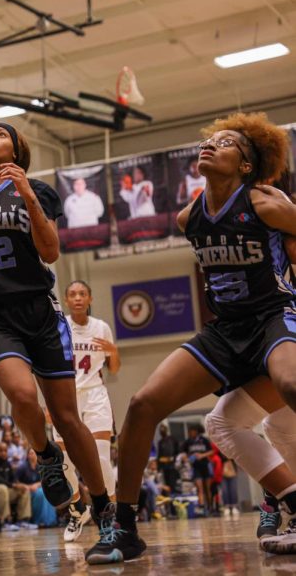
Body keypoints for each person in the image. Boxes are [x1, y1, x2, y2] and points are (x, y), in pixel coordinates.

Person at [87, 113, 296, 564]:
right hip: (225, 330)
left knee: (290, 386)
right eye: (210, 141)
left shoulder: (266, 203)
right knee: (143, 405)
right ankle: (124, 527)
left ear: (245, 165)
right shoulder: (189, 217)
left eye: (225, 143)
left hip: (275, 317)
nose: (210, 146)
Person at [0, 123, 111, 537]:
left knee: (68, 417)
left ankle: (105, 507)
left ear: (16, 151)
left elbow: (50, 250)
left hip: (40, 311)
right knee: (20, 394)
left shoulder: (37, 190)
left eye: (0, 134)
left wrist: (30, 196)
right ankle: (47, 455)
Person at [59, 279, 120, 542]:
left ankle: (112, 513)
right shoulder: (60, 327)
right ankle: (77, 510)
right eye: (73, 294)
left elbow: (114, 369)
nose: (78, 298)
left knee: (103, 459)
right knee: (64, 463)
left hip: (95, 395)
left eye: (83, 293)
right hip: (66, 398)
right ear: (66, 300)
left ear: (90, 299)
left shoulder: (102, 328)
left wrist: (113, 351)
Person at [181, 423, 214, 515]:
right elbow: (184, 454)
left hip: (205, 465)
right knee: (200, 488)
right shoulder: (188, 442)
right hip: (195, 467)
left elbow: (212, 451)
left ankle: (210, 507)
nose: (189, 433)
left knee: (208, 488)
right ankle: (202, 508)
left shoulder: (204, 440)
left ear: (196, 431)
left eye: (191, 431)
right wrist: (187, 458)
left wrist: (202, 455)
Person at [155, 424, 180, 494]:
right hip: (164, 467)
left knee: (173, 483)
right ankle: (168, 499)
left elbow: (178, 451)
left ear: (166, 430)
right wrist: (158, 466)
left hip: (172, 466)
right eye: (160, 430)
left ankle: (173, 498)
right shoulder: (160, 442)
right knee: (166, 484)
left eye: (163, 430)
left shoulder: (173, 439)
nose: (162, 431)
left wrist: (173, 459)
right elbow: (159, 455)